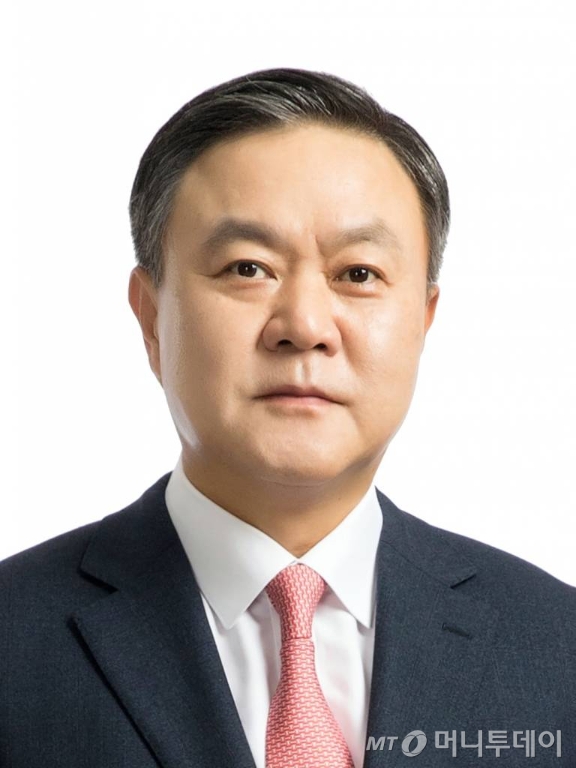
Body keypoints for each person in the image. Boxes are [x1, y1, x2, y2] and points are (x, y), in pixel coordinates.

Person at [1, 68, 574, 768]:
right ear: (151, 316)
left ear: (423, 320)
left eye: (358, 274)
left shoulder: (557, 648)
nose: (304, 326)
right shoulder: (13, 637)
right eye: (248, 268)